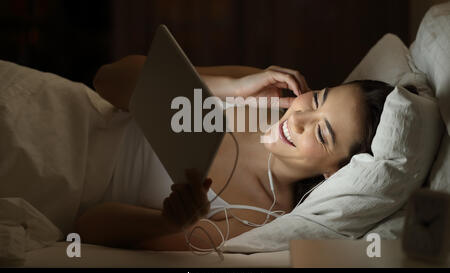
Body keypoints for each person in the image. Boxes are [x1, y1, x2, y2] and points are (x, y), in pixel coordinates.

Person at [75, 55, 405, 251]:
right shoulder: (260, 91)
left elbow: (87, 228)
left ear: (334, 172)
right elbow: (108, 80)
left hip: (67, 184)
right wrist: (229, 88)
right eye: (317, 99)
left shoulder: (261, 215)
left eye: (322, 133)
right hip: (70, 115)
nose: (301, 119)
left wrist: (167, 223)